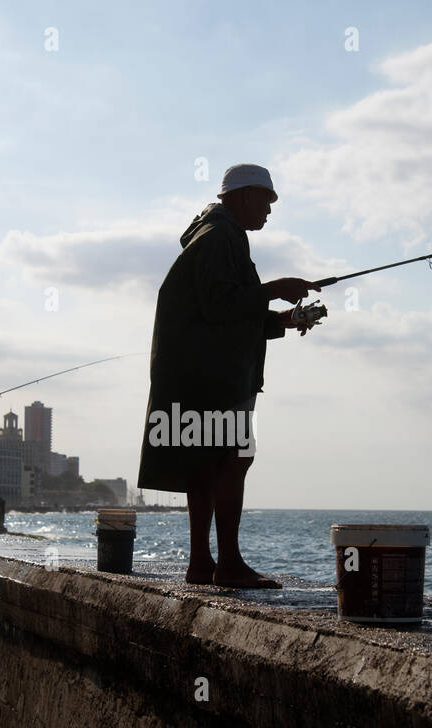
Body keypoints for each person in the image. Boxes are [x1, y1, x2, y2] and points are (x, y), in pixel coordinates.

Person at [138, 163, 320, 588]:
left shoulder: (216, 234)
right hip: (215, 380)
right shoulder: (222, 236)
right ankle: (230, 565)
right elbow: (222, 305)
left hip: (195, 376)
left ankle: (202, 564)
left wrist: (284, 321)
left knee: (204, 466)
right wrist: (273, 289)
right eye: (266, 199)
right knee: (233, 460)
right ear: (241, 196)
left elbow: (226, 313)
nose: (270, 210)